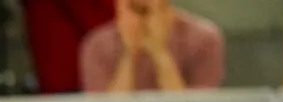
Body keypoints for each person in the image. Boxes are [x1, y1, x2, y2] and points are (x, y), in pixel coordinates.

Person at [80, 0, 224, 92]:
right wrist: (129, 54)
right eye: (134, 7)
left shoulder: (204, 40)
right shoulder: (96, 46)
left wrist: (160, 52)